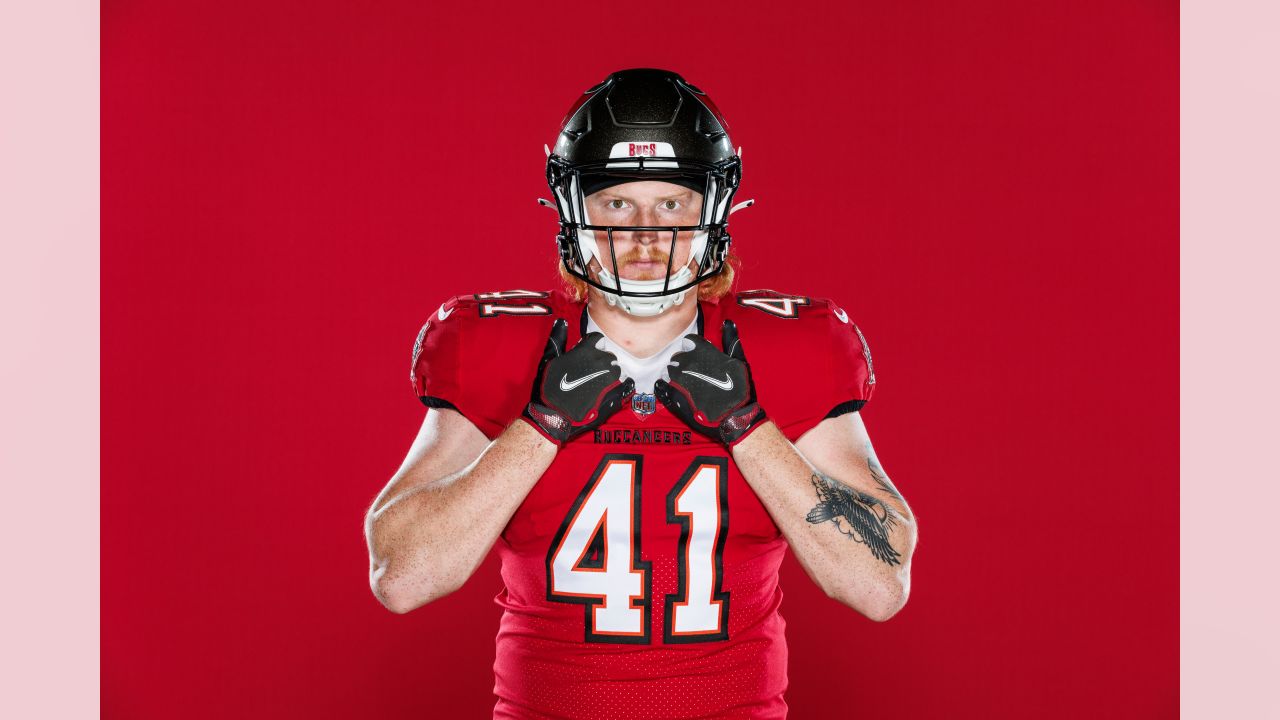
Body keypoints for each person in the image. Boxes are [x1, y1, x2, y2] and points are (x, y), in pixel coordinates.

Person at [364, 68, 918, 719]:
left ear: (715, 209)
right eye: (618, 203)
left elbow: (880, 585)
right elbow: (400, 577)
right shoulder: (504, 347)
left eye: (673, 202)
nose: (648, 233)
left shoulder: (788, 348)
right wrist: (540, 426)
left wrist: (749, 428)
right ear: (573, 208)